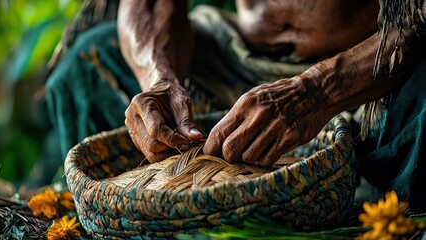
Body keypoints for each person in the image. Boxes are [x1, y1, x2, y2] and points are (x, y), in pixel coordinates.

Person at [46, 0, 426, 211]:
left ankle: (376, 200)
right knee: (91, 61)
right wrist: (160, 77)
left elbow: (418, 19)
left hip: (370, 68)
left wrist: (315, 92)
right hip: (230, 56)